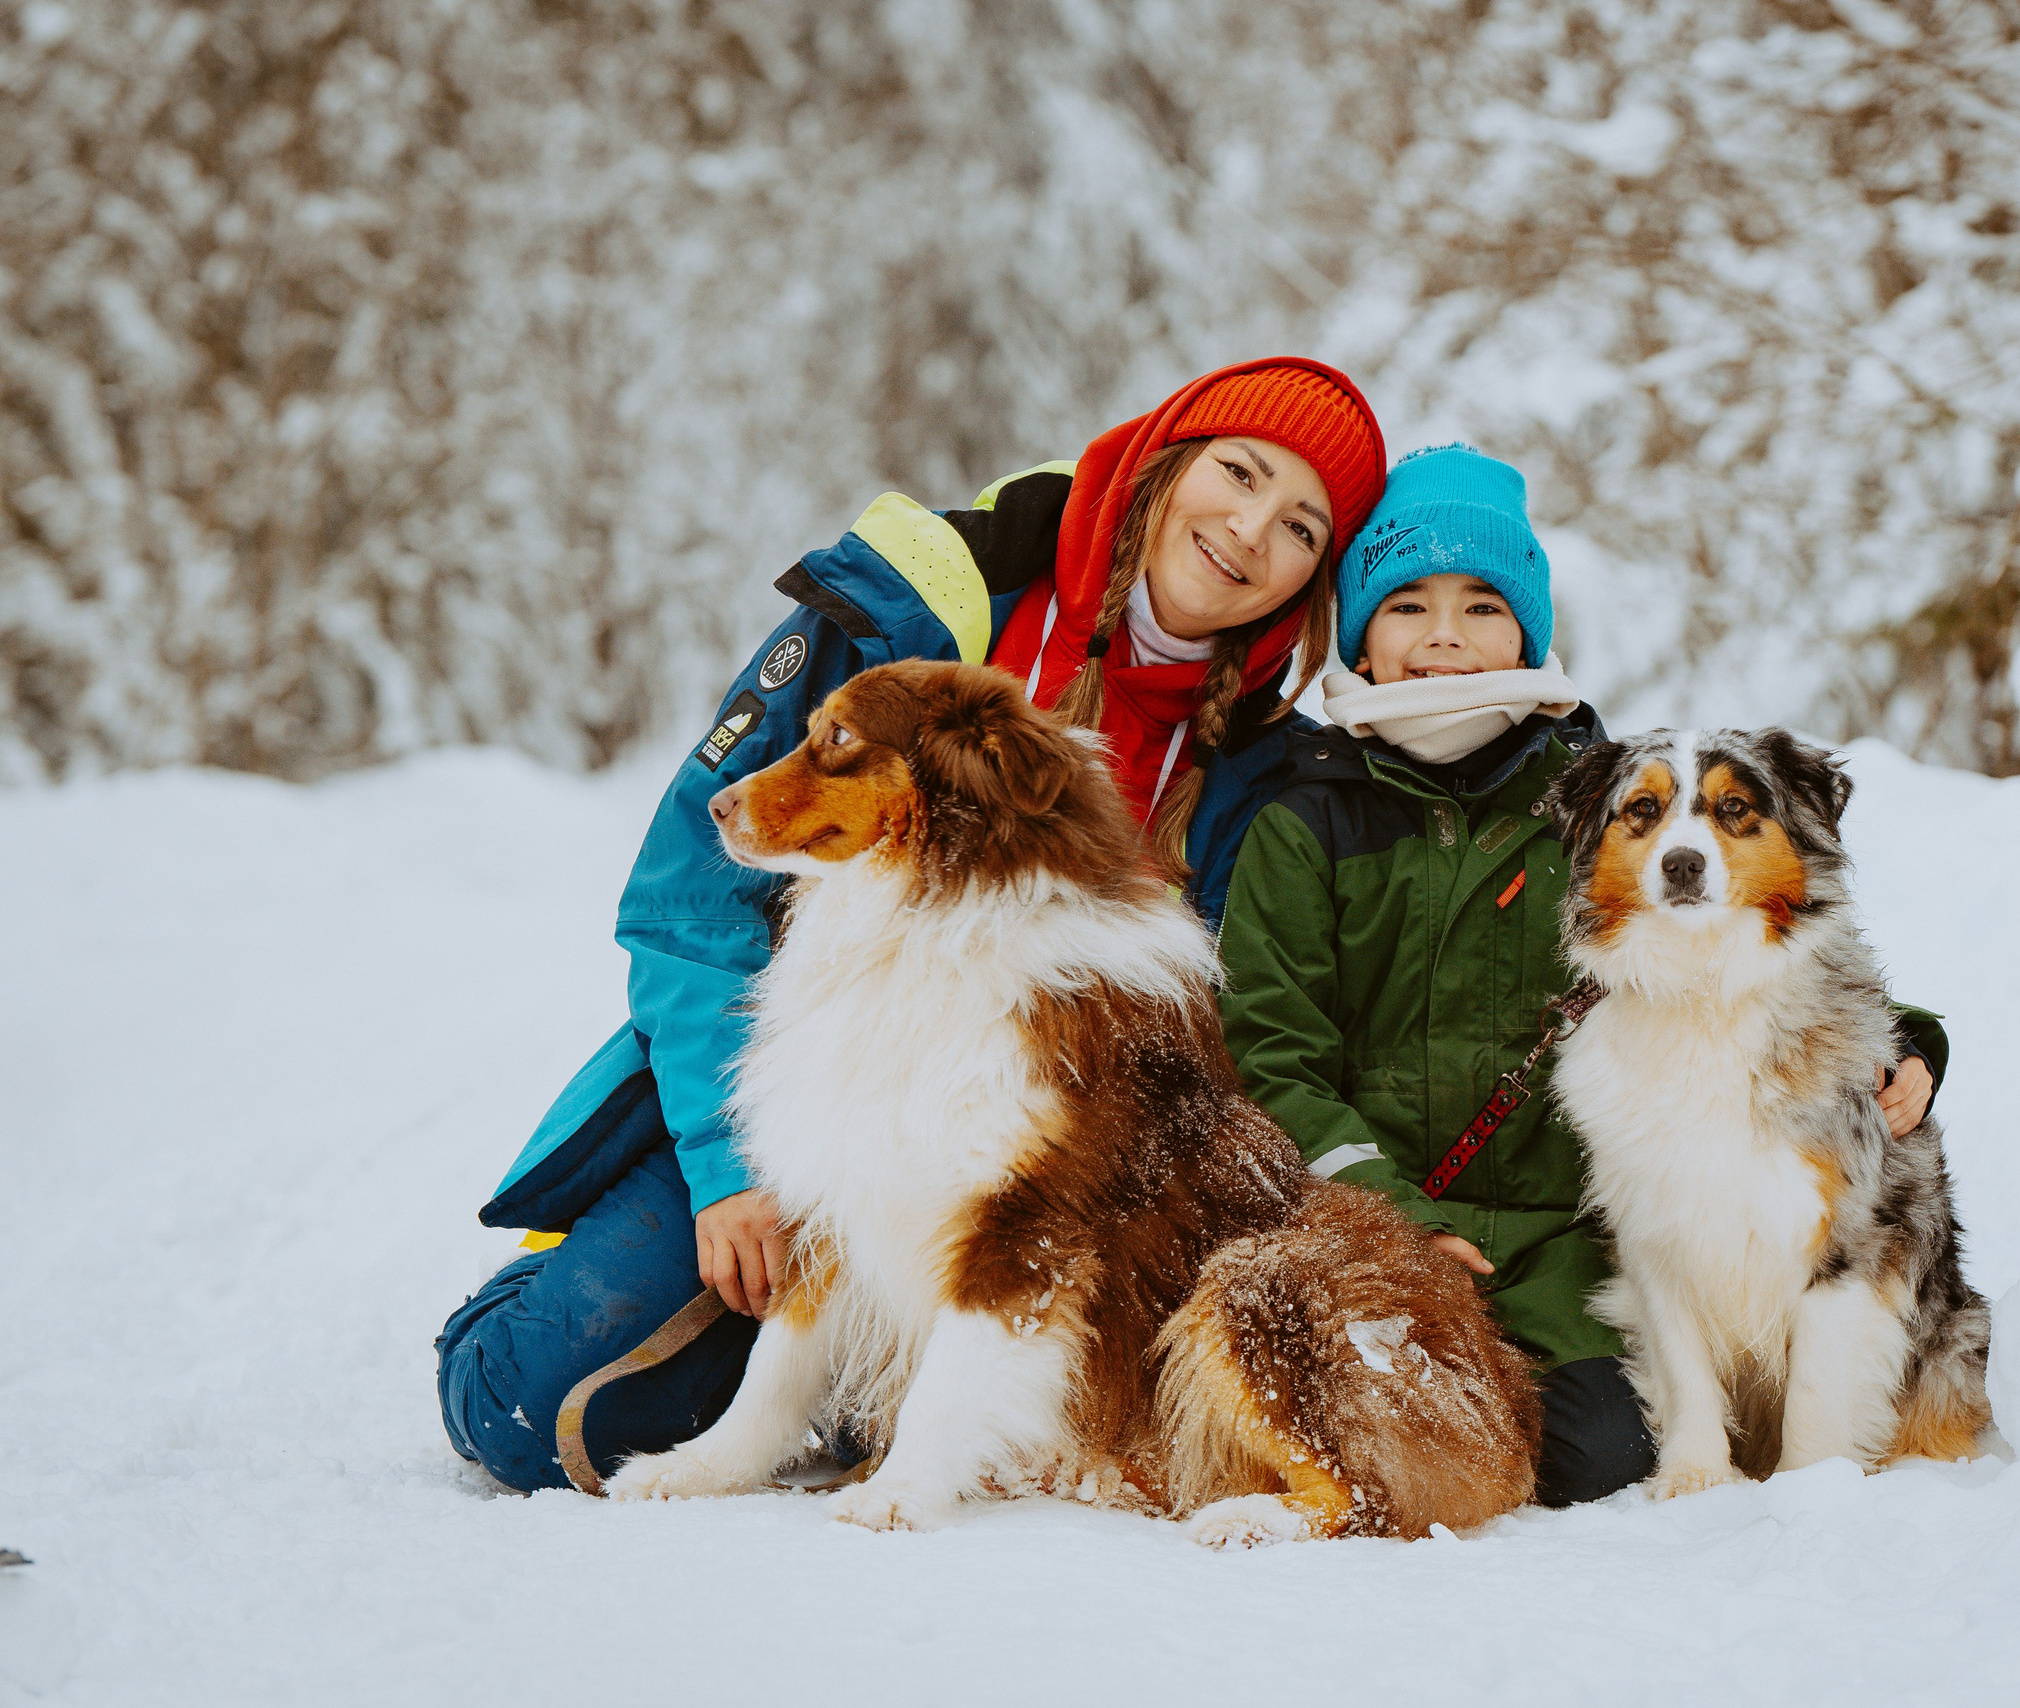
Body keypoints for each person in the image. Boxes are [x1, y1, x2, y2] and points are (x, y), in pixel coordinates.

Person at [437, 359, 1388, 1492]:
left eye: (1300, 526)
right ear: (1165, 460)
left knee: (909, 1395)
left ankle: (901, 1386)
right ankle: (597, 1270)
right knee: (526, 1406)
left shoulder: (1267, 765)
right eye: (1238, 472)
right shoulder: (923, 599)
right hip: (798, 1108)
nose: (1249, 529)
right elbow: (687, 901)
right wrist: (728, 1166)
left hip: (1007, 1159)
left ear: (1313, 581)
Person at [1214, 444, 1948, 1507]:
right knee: (1357, 1422)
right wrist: (1389, 1213)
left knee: (1600, 1453)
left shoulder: (1600, 797)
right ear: (1360, 636)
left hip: (1557, 1237)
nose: (1445, 638)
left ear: (1527, 631)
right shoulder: (1305, 818)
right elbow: (1272, 1050)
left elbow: (1739, 945)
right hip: (1379, 1213)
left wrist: (1908, 1040)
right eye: (1407, 606)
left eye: (1482, 606)